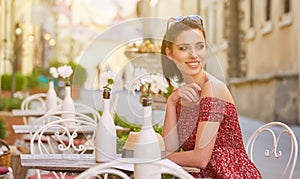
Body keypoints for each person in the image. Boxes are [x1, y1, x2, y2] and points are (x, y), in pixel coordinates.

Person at [161, 15, 262, 178]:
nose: (193, 55)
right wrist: (171, 101)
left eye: (199, 46)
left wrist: (160, 158)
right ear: (170, 54)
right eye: (183, 48)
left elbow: (200, 159)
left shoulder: (214, 89)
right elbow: (170, 148)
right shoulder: (183, 94)